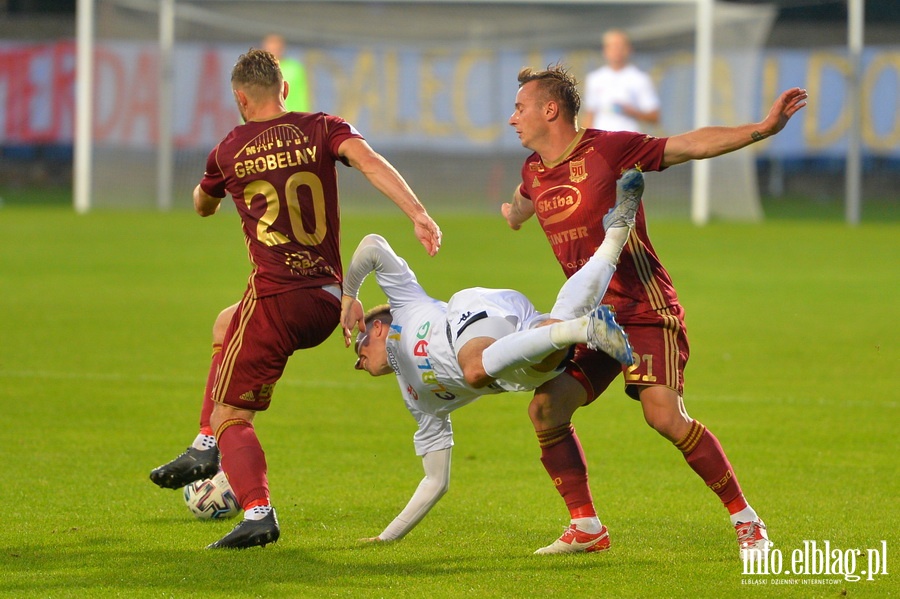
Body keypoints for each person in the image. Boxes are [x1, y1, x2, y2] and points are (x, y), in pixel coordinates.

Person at [502, 64, 807, 556]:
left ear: (550, 110)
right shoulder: (533, 171)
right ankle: (586, 527)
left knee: (663, 416)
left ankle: (747, 520)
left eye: (519, 108)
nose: (512, 118)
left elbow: (689, 144)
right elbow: (522, 202)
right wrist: (514, 214)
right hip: (590, 320)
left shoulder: (609, 149)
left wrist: (762, 129)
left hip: (643, 309)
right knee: (545, 407)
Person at [148, 48, 442, 550]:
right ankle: (202, 447)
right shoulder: (323, 126)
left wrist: (209, 192)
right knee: (225, 324)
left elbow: (202, 204)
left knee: (232, 418)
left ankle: (257, 509)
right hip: (327, 302)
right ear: (284, 90)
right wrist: (417, 212)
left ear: (240, 98)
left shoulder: (228, 149)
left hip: (276, 298)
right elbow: (369, 162)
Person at [341, 169, 644, 543]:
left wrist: (349, 293)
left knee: (474, 370)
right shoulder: (419, 402)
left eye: (359, 349)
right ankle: (616, 234)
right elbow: (436, 481)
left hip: (473, 314)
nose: (358, 362)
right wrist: (386, 538)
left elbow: (372, 246)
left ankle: (584, 329)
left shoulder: (405, 304)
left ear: (376, 328)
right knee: (547, 352)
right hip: (509, 359)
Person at [581, 29, 660, 132]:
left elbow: (654, 116)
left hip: (629, 142)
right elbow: (589, 115)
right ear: (605, 50)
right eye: (612, 47)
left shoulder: (640, 79)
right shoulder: (594, 78)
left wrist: (632, 112)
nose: (616, 51)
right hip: (602, 141)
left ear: (629, 49)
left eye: (620, 46)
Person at [262, 33, 311, 113]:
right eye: (270, 48)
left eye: (276, 48)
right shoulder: (255, 70)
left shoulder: (295, 69)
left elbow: (302, 97)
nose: (273, 51)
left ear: (282, 48)